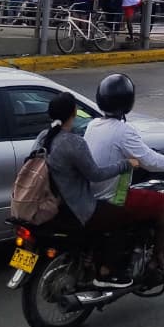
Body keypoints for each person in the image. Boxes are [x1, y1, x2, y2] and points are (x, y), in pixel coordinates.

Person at [84, 74, 164, 283]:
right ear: (128, 101)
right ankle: (159, 259)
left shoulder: (93, 125)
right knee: (163, 201)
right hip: (110, 199)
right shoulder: (123, 130)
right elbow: (150, 161)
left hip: (91, 195)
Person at [36, 92, 138, 288]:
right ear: (74, 112)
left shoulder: (44, 137)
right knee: (122, 218)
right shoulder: (73, 142)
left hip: (52, 204)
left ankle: (92, 259)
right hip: (76, 209)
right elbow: (96, 174)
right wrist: (126, 164)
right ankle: (107, 272)